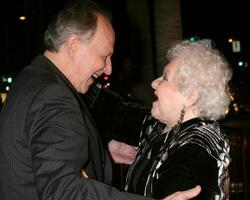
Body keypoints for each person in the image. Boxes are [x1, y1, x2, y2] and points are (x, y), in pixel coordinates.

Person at [0, 0, 200, 200]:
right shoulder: (54, 96)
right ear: (74, 46)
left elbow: (35, 151)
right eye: (105, 56)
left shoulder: (31, 78)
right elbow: (64, 192)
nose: (108, 68)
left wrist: (97, 153)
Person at [86, 40, 232, 200]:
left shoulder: (194, 152)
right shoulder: (162, 125)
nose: (154, 83)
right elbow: (115, 111)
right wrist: (78, 75)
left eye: (165, 77)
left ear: (190, 96)